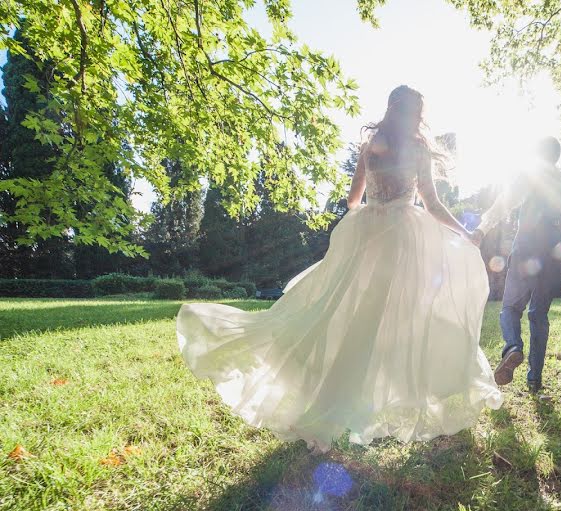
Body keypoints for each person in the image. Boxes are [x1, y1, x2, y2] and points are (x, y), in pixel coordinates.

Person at [177, 85, 502, 451]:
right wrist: (466, 234)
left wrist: (373, 205)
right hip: (403, 241)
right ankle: (372, 401)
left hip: (366, 234)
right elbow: (433, 204)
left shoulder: (369, 148)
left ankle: (328, 411)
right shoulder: (418, 149)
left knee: (345, 313)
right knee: (409, 316)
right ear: (417, 115)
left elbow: (352, 200)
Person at [471, 137, 561, 393]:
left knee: (509, 308)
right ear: (557, 157)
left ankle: (513, 347)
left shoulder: (529, 178)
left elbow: (503, 204)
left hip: (525, 251)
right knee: (539, 315)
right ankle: (535, 380)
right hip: (554, 261)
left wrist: (482, 229)